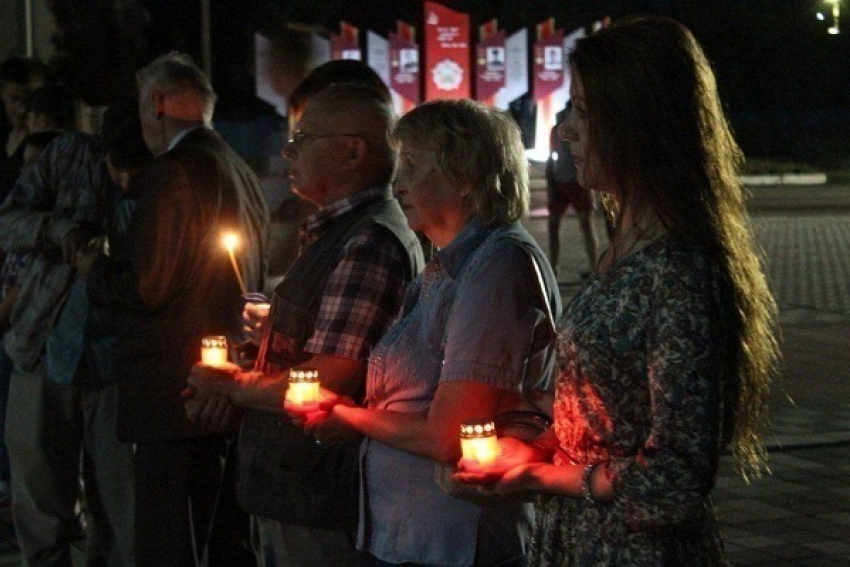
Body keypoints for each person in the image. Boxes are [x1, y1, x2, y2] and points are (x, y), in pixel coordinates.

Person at [452, 16, 780, 565]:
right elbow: (607, 418)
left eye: (582, 110)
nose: (564, 130)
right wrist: (529, 444)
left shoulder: (677, 270)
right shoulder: (621, 249)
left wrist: (540, 475)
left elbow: (674, 478)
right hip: (579, 538)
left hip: (632, 550)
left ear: (638, 121)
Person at [292, 99, 562, 566]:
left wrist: (350, 416)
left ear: (467, 176)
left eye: (414, 166)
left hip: (454, 539)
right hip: (410, 532)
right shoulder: (444, 266)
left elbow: (450, 435)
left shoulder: (497, 266)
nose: (398, 185)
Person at [187, 82, 424, 566]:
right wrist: (270, 333)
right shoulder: (332, 232)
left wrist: (233, 386)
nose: (287, 151)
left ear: (353, 150)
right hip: (292, 483)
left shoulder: (368, 244)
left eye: (302, 139)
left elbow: (326, 381)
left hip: (317, 494)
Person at [79, 52, 270, 565]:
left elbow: (149, 287)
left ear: (158, 104)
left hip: (175, 394)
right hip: (222, 386)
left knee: (170, 542)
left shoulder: (175, 171)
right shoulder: (239, 169)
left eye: (144, 107)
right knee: (224, 541)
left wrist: (91, 266)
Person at [0, 100, 152, 566]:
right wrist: (55, 229)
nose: (126, 181)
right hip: (43, 348)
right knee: (39, 488)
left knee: (121, 504)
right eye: (118, 169)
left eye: (136, 171)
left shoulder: (166, 179)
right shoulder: (68, 156)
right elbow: (8, 221)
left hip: (115, 364)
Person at [545, 101, 599, 280]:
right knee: (554, 225)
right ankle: (553, 267)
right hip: (561, 180)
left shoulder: (579, 131)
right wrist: (551, 181)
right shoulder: (557, 131)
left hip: (576, 182)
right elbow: (551, 156)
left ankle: (595, 267)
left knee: (586, 226)